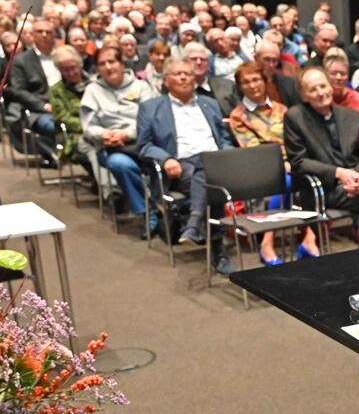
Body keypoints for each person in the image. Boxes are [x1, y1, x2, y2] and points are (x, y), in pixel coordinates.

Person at [137, 57, 238, 273]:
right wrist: (166, 159)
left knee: (208, 169)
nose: (184, 77)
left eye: (188, 74)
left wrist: (228, 155)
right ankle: (218, 252)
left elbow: (224, 138)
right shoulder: (151, 107)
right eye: (177, 74)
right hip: (180, 166)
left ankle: (193, 222)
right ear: (166, 80)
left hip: (215, 162)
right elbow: (144, 145)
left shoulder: (209, 103)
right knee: (208, 179)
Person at [284, 66, 359, 244]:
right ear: (304, 96)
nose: (320, 92)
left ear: (331, 87)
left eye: (323, 86)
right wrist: (340, 174)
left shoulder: (351, 116)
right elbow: (298, 162)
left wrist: (355, 177)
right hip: (322, 189)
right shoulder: (295, 117)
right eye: (313, 89)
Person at [228, 61, 319, 263]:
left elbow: (296, 139)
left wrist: (294, 160)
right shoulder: (238, 115)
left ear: (265, 81)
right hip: (261, 166)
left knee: (314, 178)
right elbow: (253, 149)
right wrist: (284, 163)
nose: (253, 86)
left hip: (293, 162)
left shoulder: (281, 109)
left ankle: (309, 238)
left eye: (256, 80)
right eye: (246, 82)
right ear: (240, 86)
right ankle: (267, 243)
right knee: (286, 181)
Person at [82, 46, 158, 235]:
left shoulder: (141, 86)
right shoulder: (92, 90)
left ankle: (166, 206)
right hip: (111, 147)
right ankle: (147, 212)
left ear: (122, 64)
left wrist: (127, 134)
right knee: (120, 164)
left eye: (112, 61)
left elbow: (151, 120)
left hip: (142, 142)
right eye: (102, 64)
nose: (108, 67)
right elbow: (88, 127)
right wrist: (104, 134)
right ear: (97, 69)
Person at [5, 17, 60, 162]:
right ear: (32, 35)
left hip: (66, 104)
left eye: (48, 32)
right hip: (39, 109)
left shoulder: (63, 54)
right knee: (54, 126)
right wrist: (44, 106)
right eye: (39, 31)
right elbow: (18, 91)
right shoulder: (21, 60)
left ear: (54, 34)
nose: (44, 35)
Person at [47, 45, 90, 169]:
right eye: (65, 70)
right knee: (89, 147)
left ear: (80, 64)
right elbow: (63, 117)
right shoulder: (56, 90)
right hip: (74, 134)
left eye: (73, 68)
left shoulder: (94, 83)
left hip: (100, 128)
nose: (71, 73)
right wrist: (89, 128)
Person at [183, 41, 237, 116]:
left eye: (203, 59)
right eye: (194, 59)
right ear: (185, 63)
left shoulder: (228, 86)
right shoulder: (178, 90)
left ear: (208, 64)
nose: (199, 62)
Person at [322, 47, 359, 130]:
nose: (338, 77)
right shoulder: (321, 97)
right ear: (325, 74)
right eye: (333, 73)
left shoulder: (356, 98)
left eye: (343, 74)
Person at [254, 40, 301, 107]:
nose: (271, 65)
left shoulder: (289, 83)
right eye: (267, 59)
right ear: (255, 58)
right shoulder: (246, 83)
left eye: (275, 60)